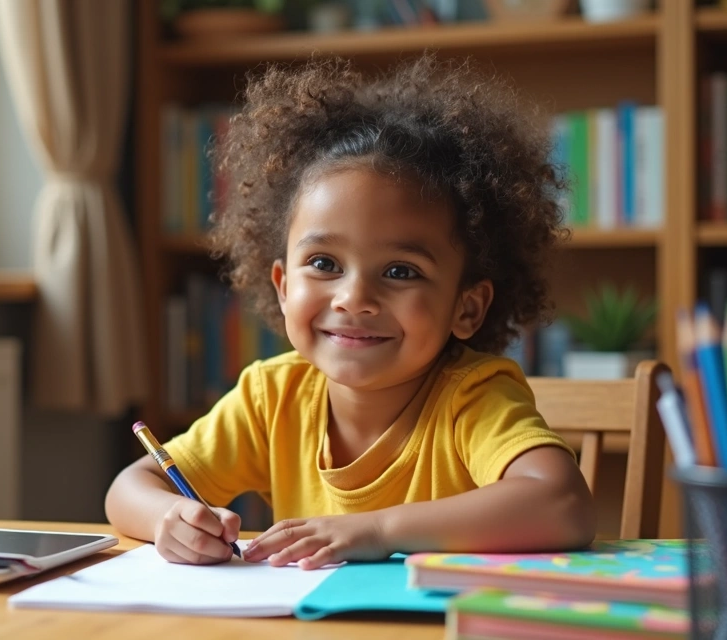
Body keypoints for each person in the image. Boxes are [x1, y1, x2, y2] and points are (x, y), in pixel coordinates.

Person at [106, 56, 595, 570]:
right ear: (282, 286)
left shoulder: (471, 397)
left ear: (466, 306)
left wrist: (380, 529)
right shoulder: (273, 397)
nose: (354, 298)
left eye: (401, 271)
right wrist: (171, 518)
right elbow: (130, 487)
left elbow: (562, 504)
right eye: (323, 263)